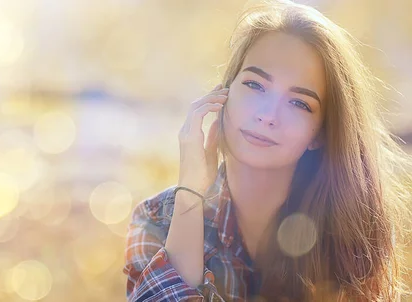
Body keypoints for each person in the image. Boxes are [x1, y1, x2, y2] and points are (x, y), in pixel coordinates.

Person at [122, 0, 412, 301]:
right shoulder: (158, 219)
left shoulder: (349, 230)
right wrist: (190, 197)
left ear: (320, 134)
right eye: (255, 85)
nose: (268, 114)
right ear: (224, 92)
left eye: (299, 103)